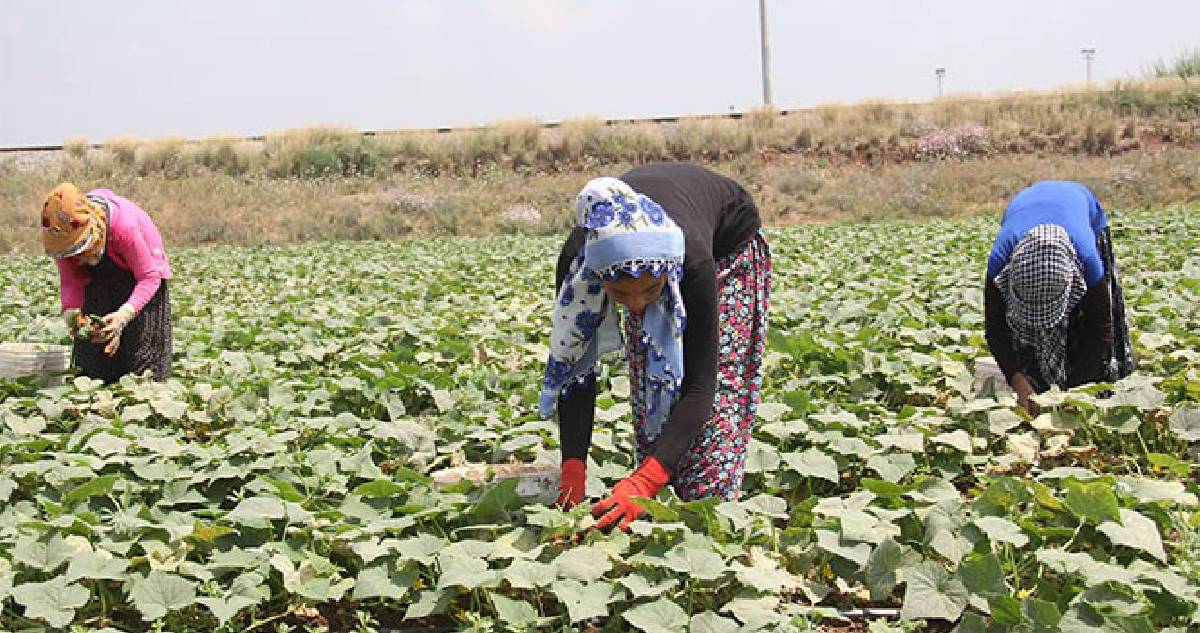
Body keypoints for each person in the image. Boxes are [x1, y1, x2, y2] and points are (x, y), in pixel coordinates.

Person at [540, 162, 771, 531]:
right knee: (651, 386)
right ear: (599, 279)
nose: (635, 305)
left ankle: (705, 513)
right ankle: (652, 506)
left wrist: (644, 482)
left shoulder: (692, 261)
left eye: (649, 290)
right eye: (619, 294)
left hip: (728, 247)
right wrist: (572, 473)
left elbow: (701, 386)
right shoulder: (581, 265)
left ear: (667, 271)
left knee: (718, 400)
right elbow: (575, 369)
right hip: (651, 255)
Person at [984, 180, 1133, 414]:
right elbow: (995, 327)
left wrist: (1075, 390)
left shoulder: (1087, 260)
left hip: (1080, 206)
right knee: (1024, 357)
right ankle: (1035, 386)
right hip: (1024, 209)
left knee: (1083, 328)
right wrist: (1016, 378)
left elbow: (1100, 325)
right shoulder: (1000, 261)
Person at [41, 183, 173, 382]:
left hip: (141, 280)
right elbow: (71, 282)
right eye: (72, 253)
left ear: (94, 232)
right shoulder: (62, 235)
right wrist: (73, 315)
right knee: (93, 360)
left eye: (82, 249)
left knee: (144, 366)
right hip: (100, 282)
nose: (77, 258)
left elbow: (149, 277)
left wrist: (124, 315)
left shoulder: (124, 228)